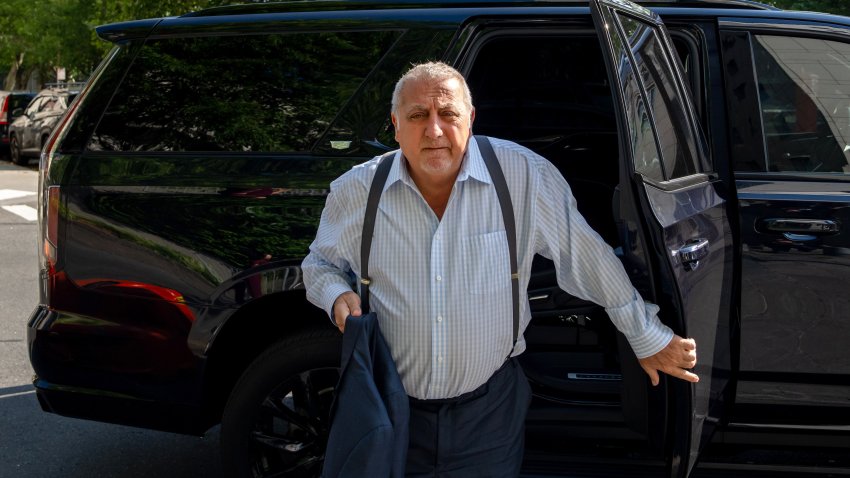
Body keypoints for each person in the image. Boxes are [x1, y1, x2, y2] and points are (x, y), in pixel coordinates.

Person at [302, 61, 698, 477]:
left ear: (469, 118)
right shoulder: (356, 190)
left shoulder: (523, 175)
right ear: (396, 124)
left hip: (488, 412)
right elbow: (320, 263)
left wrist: (644, 334)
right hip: (388, 408)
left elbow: (585, 257)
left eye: (448, 114)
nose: (434, 130)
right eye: (418, 116)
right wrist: (335, 296)